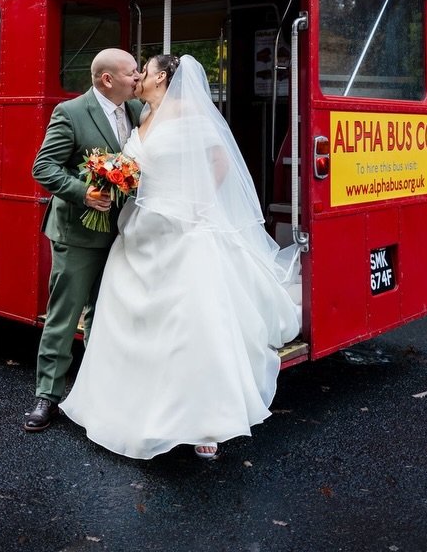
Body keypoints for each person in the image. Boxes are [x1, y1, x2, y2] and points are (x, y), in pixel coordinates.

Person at [59, 54, 302, 460]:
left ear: (162, 78)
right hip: (140, 227)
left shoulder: (191, 112)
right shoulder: (142, 115)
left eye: (145, 70)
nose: (139, 76)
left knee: (191, 324)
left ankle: (205, 421)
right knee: (133, 319)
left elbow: (219, 161)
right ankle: (129, 404)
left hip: (183, 228)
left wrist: (197, 201)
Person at [23, 48, 143, 432]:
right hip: (76, 233)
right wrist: (84, 192)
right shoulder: (71, 113)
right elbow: (43, 167)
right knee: (65, 315)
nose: (138, 77)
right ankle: (47, 396)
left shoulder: (137, 110)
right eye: (131, 72)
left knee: (104, 315)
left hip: (121, 234)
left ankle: (97, 392)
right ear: (107, 80)